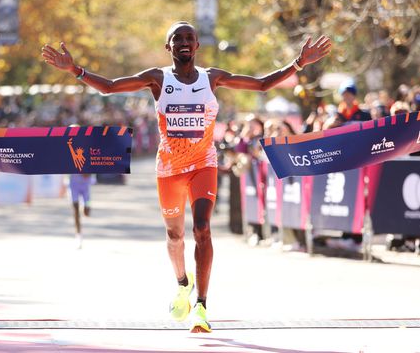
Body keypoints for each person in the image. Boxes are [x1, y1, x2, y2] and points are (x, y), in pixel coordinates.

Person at [41, 21, 331, 333]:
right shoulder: (157, 79)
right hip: (168, 169)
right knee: (175, 236)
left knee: (203, 228)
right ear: (168, 47)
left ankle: (202, 306)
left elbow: (261, 84)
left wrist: (299, 63)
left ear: (196, 46)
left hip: (203, 164)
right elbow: (111, 86)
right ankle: (182, 281)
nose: (183, 42)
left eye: (189, 38)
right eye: (177, 38)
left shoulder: (212, 77)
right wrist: (75, 70)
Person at [69, 173, 92, 249]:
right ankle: (78, 234)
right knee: (76, 211)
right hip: (74, 184)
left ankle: (87, 206)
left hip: (85, 186)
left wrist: (87, 173)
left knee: (87, 212)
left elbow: (89, 172)